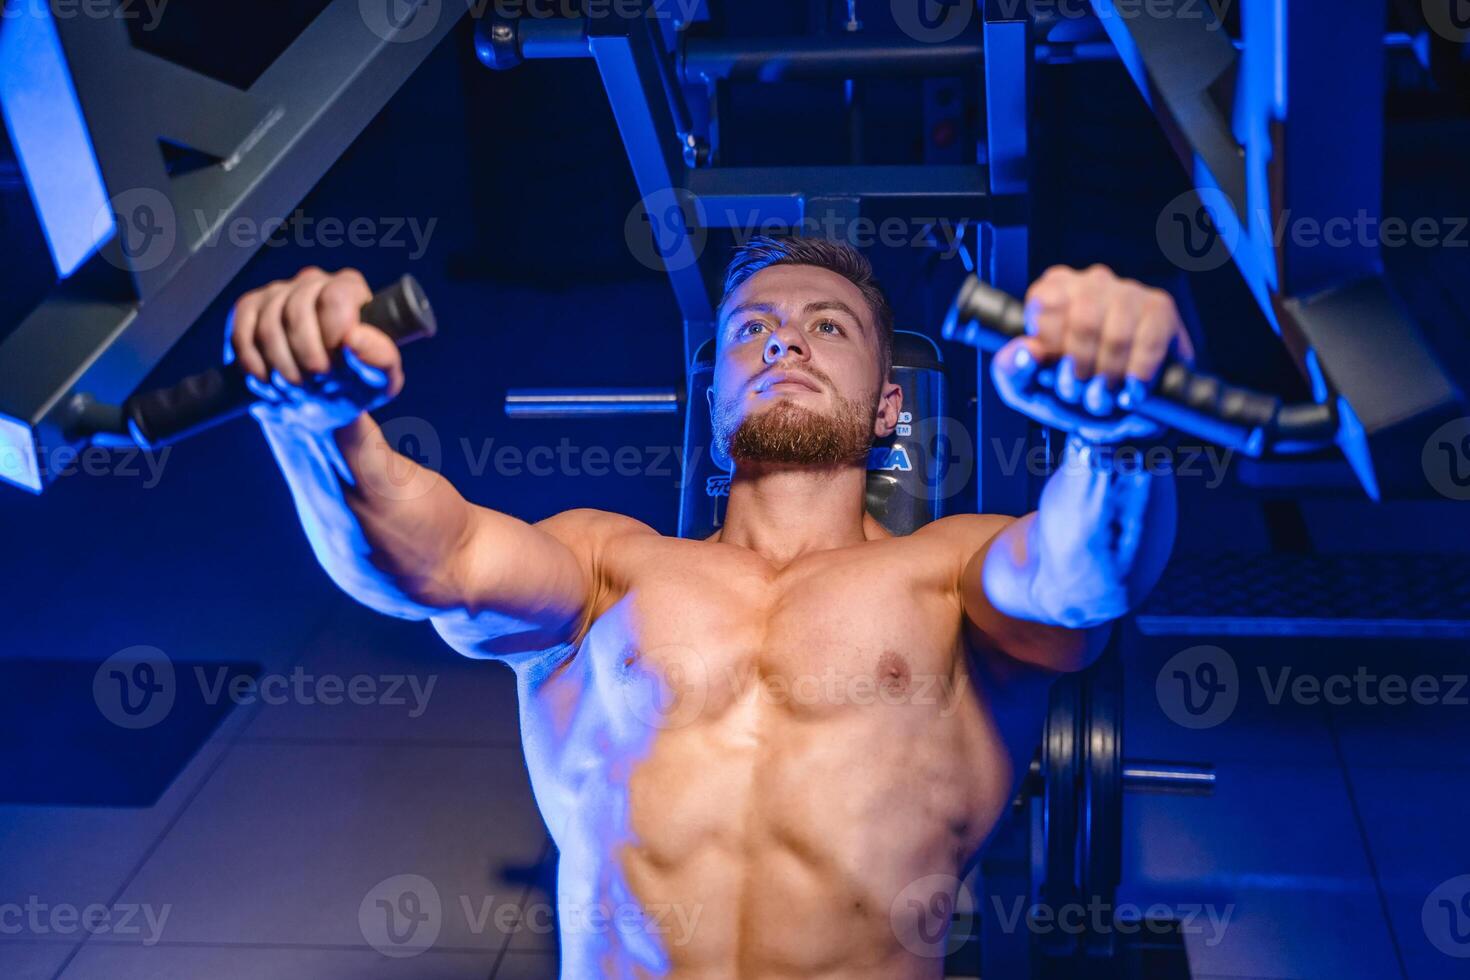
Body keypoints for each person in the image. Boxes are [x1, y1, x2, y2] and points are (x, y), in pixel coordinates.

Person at [230, 236, 1189, 978]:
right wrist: (314, 425)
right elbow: (434, 561)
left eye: (828, 327)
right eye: (749, 329)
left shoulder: (950, 574)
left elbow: (1081, 575)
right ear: (716, 389)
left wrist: (1121, 435)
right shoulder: (605, 564)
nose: (784, 339)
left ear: (890, 406)